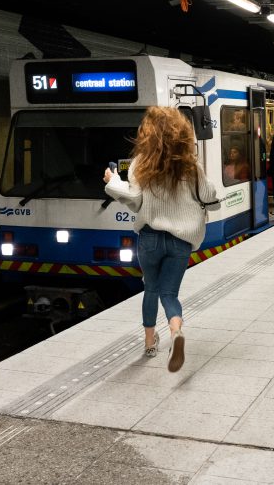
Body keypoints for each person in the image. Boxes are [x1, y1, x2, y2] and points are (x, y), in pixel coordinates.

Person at [103, 106, 218, 371]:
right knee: (169, 293)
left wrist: (112, 181)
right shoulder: (191, 166)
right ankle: (176, 332)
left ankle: (149, 342)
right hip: (180, 241)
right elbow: (210, 198)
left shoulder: (140, 164)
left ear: (148, 133)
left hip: (150, 238)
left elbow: (133, 199)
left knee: (150, 288)